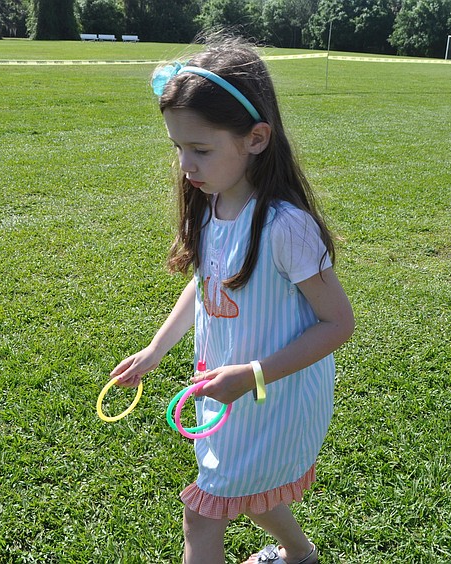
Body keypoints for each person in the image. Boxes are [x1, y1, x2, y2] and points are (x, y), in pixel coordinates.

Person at [110, 36, 354, 564]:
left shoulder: (286, 227)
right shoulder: (210, 204)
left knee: (204, 511)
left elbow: (337, 324)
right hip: (226, 389)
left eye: (200, 149)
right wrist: (155, 350)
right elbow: (206, 283)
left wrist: (254, 375)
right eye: (178, 147)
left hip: (271, 397)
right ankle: (300, 555)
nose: (184, 164)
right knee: (242, 491)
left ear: (256, 139)